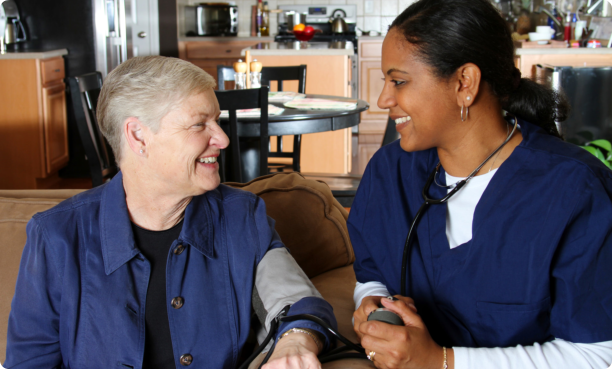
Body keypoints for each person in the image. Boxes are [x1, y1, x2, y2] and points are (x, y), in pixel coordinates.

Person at [4, 56, 336, 369]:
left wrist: (296, 340)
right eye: (199, 124)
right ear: (138, 136)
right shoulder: (57, 236)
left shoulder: (241, 217)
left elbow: (298, 303)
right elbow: (30, 360)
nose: (221, 138)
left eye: (216, 121)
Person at [348, 0, 612, 368]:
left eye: (399, 81)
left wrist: (440, 361)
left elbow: (596, 353)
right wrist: (372, 304)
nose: (383, 99)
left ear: (464, 83)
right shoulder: (388, 172)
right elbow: (372, 272)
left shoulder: (576, 192)